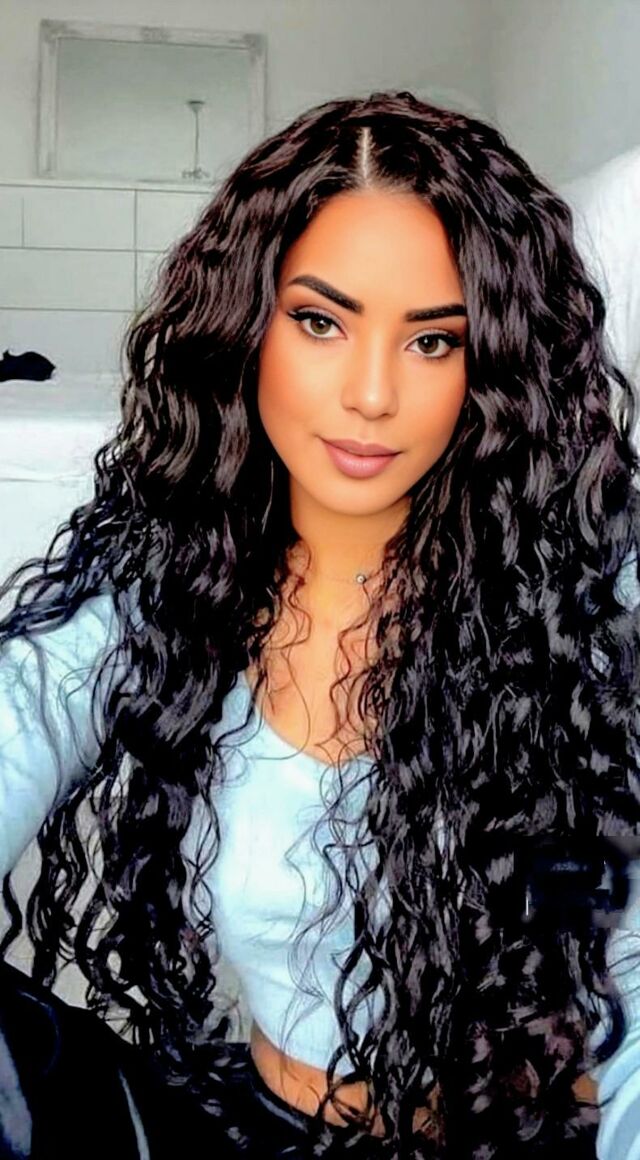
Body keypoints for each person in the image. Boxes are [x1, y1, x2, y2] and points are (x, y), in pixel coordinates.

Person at [0, 89, 639, 1159]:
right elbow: (20, 711)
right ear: (245, 328)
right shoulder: (167, 584)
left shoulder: (592, 595)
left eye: (432, 340)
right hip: (255, 1129)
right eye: (320, 321)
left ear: (492, 363)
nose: (372, 394)